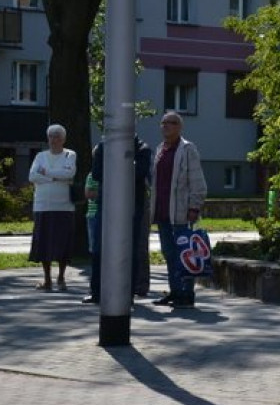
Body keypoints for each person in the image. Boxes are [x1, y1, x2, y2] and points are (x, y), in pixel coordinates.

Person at [82, 136, 153, 304]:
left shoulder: (142, 148)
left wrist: (113, 167)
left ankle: (127, 294)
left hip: (132, 205)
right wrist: (126, 166)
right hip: (106, 204)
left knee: (131, 249)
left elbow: (139, 173)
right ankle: (97, 292)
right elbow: (98, 173)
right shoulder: (102, 147)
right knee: (100, 248)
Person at [150, 112, 207, 309]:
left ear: (179, 127)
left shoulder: (187, 149)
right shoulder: (160, 149)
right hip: (163, 212)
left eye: (171, 123)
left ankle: (187, 293)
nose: (166, 126)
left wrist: (194, 206)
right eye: (163, 122)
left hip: (182, 212)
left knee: (186, 253)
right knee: (169, 253)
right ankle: (175, 291)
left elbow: (197, 181)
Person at [27, 124, 77, 292]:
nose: (54, 139)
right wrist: (56, 177)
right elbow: (32, 175)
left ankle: (61, 277)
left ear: (63, 139)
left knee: (63, 243)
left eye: (57, 136)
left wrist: (46, 174)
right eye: (51, 136)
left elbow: (69, 174)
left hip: (64, 206)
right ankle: (47, 279)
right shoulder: (40, 156)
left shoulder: (70, 154)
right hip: (42, 205)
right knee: (44, 243)